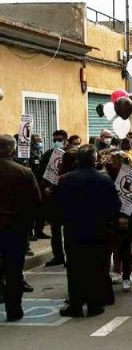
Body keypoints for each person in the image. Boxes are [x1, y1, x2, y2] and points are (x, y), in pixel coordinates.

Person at [55, 145, 121, 317]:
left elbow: (58, 205)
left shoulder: (66, 179)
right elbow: (115, 206)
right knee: (96, 267)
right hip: (98, 230)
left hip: (74, 230)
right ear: (94, 159)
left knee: (75, 268)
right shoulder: (104, 180)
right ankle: (95, 304)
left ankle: (75, 305)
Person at [0, 135, 41, 322]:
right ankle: (14, 309)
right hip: (15, 228)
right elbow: (35, 201)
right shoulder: (23, 172)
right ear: (11, 150)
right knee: (14, 270)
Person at [103, 151, 132, 292]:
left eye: (114, 160)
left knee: (125, 247)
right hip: (111, 217)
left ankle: (126, 277)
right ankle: (117, 272)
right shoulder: (107, 177)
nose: (110, 163)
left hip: (127, 217)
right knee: (112, 246)